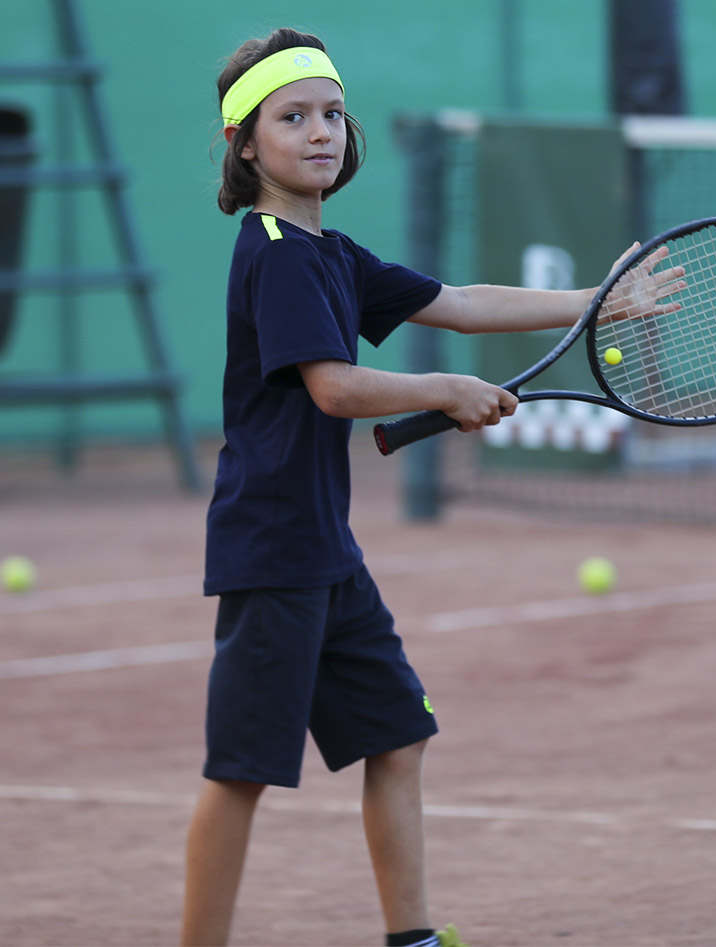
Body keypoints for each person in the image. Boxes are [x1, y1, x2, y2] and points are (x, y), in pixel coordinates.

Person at [181, 27, 683, 947]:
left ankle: (410, 938)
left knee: (396, 735)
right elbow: (335, 388)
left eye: (332, 114)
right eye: (293, 118)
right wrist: (446, 391)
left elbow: (460, 303)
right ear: (244, 145)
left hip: (325, 551)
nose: (321, 132)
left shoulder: (331, 252)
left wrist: (598, 299)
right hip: (272, 548)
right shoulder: (276, 251)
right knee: (243, 769)